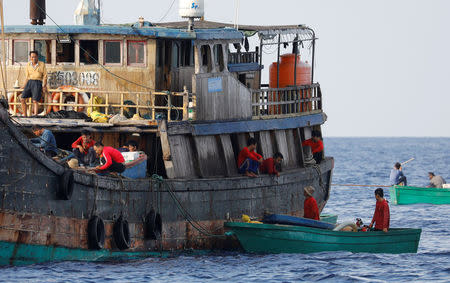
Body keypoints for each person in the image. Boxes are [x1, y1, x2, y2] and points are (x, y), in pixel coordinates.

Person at [21, 51, 48, 117]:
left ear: (37, 57)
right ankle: (25, 115)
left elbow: (45, 76)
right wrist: (23, 86)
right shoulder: (28, 65)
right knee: (22, 99)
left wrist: (44, 85)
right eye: (32, 57)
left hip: (37, 82)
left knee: (35, 100)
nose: (34, 58)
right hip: (29, 82)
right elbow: (27, 77)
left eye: (35, 57)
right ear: (30, 58)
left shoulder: (42, 64)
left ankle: (35, 115)